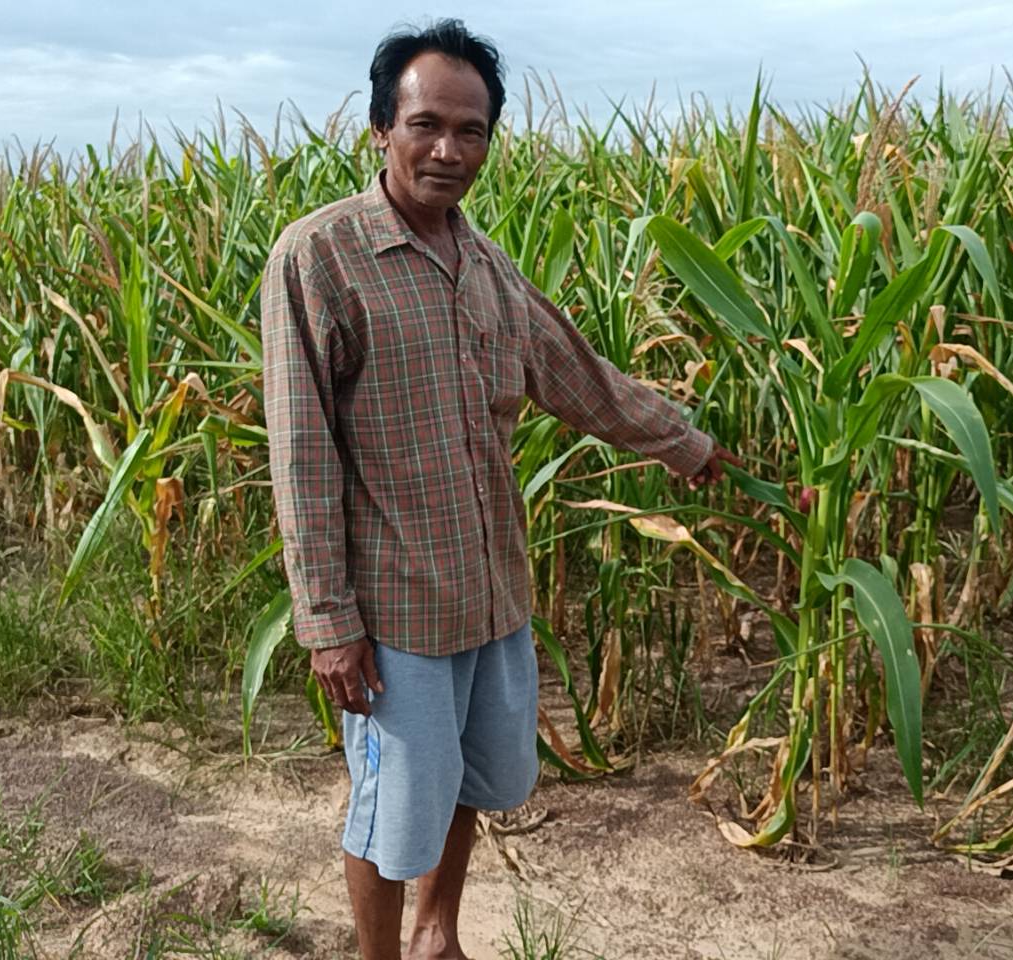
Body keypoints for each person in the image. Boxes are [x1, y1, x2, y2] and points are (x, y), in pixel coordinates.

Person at [259, 19, 739, 960]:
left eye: (470, 130)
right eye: (426, 125)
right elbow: (301, 451)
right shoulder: (319, 258)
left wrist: (684, 445)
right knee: (391, 810)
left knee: (472, 780)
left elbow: (579, 377)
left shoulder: (485, 266)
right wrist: (327, 622)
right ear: (380, 129)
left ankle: (437, 935)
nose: (448, 150)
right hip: (395, 612)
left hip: (489, 593)